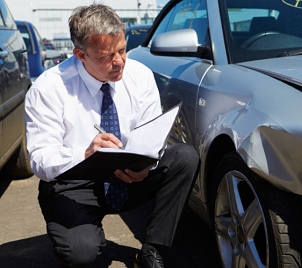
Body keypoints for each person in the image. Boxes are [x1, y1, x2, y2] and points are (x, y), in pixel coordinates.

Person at [25, 4, 200, 268]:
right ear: (80, 55)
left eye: (122, 49)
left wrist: (149, 164)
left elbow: (152, 134)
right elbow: (39, 158)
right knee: (81, 253)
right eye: (106, 56)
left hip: (129, 175)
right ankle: (83, 234)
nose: (119, 61)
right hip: (75, 182)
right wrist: (84, 154)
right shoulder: (48, 88)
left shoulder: (139, 74)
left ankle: (152, 250)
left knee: (185, 157)